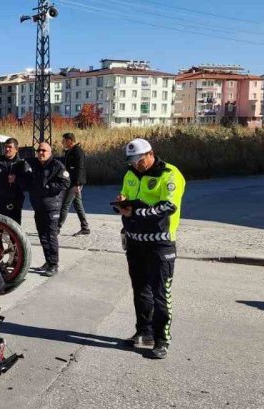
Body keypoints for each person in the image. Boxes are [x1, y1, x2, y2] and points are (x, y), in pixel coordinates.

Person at [112, 138, 186, 360]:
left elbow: (168, 206)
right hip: (135, 241)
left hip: (160, 243)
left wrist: (134, 213)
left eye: (140, 160)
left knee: (161, 293)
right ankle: (144, 331)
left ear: (151, 154)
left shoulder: (169, 174)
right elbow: (127, 199)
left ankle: (162, 339)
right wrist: (121, 203)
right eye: (133, 161)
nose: (136, 165)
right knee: (140, 290)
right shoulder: (130, 174)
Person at [25, 142, 70, 276]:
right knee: (42, 235)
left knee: (51, 236)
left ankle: (54, 265)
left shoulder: (56, 165)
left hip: (52, 207)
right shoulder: (36, 165)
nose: (41, 153)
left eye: (44, 150)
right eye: (39, 150)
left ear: (50, 152)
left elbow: (66, 182)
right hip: (39, 207)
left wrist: (48, 188)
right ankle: (48, 261)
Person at [59, 132, 90, 235]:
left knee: (65, 205)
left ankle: (57, 227)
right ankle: (85, 227)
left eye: (64, 140)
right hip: (71, 182)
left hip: (74, 183)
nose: (62, 142)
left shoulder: (77, 151)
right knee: (78, 205)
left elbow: (80, 168)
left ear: (69, 141)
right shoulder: (69, 151)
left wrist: (77, 184)